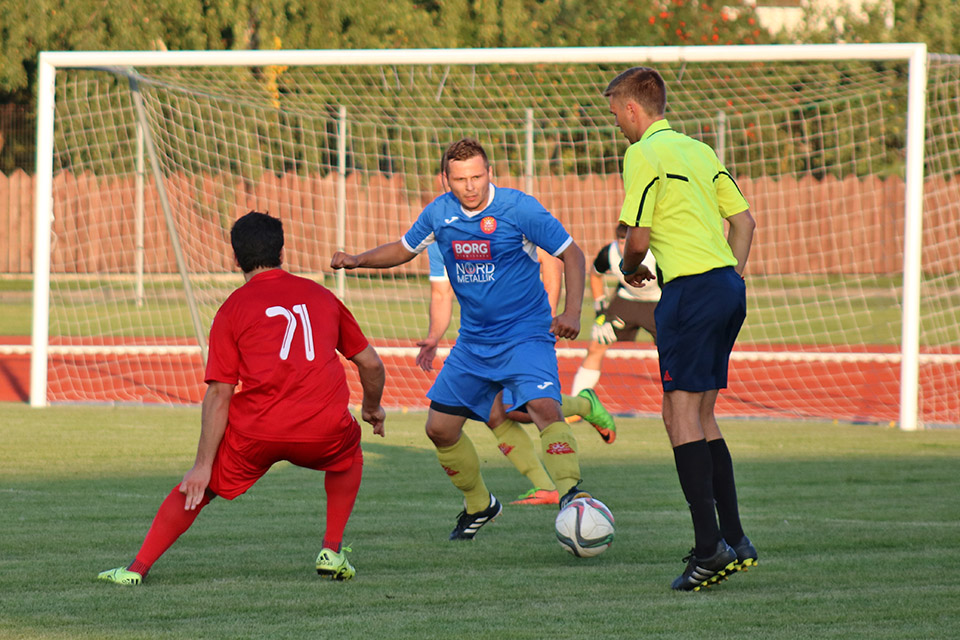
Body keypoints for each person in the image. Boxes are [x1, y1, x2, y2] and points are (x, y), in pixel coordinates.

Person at [98, 211, 386, 585]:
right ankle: (331, 549)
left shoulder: (232, 309)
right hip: (323, 429)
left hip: (257, 433)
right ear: (282, 252)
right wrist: (371, 408)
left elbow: (220, 392)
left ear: (235, 258)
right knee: (349, 456)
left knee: (199, 487)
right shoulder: (322, 296)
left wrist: (202, 465)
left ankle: (136, 569)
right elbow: (371, 363)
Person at [332, 137, 596, 541]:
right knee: (439, 428)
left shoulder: (518, 208)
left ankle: (572, 496)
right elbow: (403, 249)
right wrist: (358, 260)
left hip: (525, 333)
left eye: (476, 176)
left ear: (489, 173)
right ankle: (480, 505)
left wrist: (572, 312)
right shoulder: (439, 213)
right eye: (460, 179)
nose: (470, 186)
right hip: (473, 342)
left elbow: (572, 254)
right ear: (446, 180)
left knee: (543, 406)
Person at [604, 67, 758, 591]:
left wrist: (628, 270)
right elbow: (744, 223)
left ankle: (710, 549)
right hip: (725, 289)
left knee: (680, 414)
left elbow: (638, 238)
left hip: (689, 293)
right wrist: (729, 277)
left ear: (632, 109)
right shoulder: (699, 150)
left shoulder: (642, 153)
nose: (617, 124)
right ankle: (733, 538)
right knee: (697, 413)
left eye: (616, 114)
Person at [419, 243, 617, 505]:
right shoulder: (440, 237)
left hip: (525, 333)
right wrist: (434, 336)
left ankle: (583, 407)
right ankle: (544, 485)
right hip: (484, 341)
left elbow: (552, 260)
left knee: (517, 408)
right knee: (495, 413)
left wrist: (546, 317)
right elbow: (441, 293)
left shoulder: (501, 222)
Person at [569, 222, 660, 421]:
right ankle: (577, 406)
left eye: (630, 241)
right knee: (596, 345)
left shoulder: (657, 255)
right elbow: (595, 275)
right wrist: (601, 310)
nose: (625, 246)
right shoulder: (608, 253)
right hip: (626, 300)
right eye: (621, 241)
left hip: (658, 302)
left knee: (672, 351)